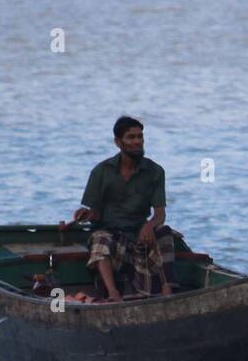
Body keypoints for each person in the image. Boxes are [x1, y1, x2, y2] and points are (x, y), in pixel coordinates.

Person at [72, 115, 179, 301]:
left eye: (140, 136)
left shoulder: (155, 171)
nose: (137, 142)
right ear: (118, 142)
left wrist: (149, 225)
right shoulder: (101, 171)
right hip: (111, 235)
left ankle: (167, 291)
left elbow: (160, 214)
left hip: (139, 235)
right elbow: (96, 213)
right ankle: (113, 293)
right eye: (131, 137)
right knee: (100, 239)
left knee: (164, 231)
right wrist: (86, 215)